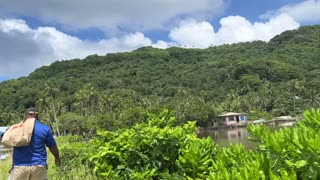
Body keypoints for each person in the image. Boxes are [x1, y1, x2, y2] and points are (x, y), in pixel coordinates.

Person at [9, 107, 61, 180]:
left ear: (25, 116)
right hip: (38, 166)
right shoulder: (44, 128)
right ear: (38, 116)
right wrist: (57, 158)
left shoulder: (18, 128)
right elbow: (53, 147)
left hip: (19, 167)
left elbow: (8, 140)